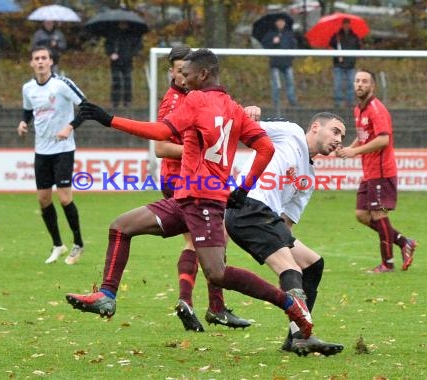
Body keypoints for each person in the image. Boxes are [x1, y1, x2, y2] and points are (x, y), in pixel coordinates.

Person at [66, 49, 321, 349]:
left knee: (217, 273)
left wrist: (108, 119)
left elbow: (161, 132)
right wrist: (243, 187)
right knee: (121, 226)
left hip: (202, 201)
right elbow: (264, 147)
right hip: (188, 198)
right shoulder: (234, 108)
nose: (181, 80)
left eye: (186, 75)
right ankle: (107, 296)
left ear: (203, 74)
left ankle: (289, 303)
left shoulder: (196, 100)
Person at [226, 111, 347, 356]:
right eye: (335, 131)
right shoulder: (290, 132)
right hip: (248, 206)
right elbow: (244, 128)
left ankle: (295, 338)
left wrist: (280, 242)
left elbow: (286, 223)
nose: (339, 139)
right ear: (315, 127)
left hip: (266, 219)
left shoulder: (308, 177)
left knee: (312, 264)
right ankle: (304, 334)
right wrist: (248, 114)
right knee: (290, 269)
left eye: (342, 136)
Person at [154, 45, 250, 332]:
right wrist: (197, 151)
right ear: (171, 71)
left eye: (189, 70)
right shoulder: (173, 102)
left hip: (193, 178)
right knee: (206, 241)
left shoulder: (197, 98)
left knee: (205, 241)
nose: (185, 76)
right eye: (180, 71)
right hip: (183, 179)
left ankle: (205, 305)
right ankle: (207, 306)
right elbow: (160, 147)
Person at [337, 69, 417, 273]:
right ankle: (403, 242)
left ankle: (387, 264)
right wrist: (348, 148)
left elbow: (383, 139)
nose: (359, 84)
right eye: (357, 81)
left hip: (382, 171)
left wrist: (354, 151)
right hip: (369, 171)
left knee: (378, 213)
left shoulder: (376, 109)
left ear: (373, 86)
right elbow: (364, 136)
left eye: (364, 81)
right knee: (362, 214)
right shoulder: (359, 109)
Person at [17, 46, 86, 265]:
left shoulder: (62, 84)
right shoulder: (28, 88)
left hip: (63, 149)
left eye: (43, 58)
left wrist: (70, 127)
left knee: (65, 198)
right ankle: (58, 245)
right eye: (36, 58)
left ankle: (78, 243)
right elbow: (29, 110)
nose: (40, 62)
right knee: (43, 199)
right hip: (41, 150)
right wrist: (23, 122)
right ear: (31, 63)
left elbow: (86, 107)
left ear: (50, 62)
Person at [261, 16, 298, 112]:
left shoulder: (289, 34)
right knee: (276, 85)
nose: (281, 23)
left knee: (290, 83)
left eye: (282, 22)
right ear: (276, 23)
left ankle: (292, 102)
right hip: (275, 63)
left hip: (287, 63)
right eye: (279, 22)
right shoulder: (270, 34)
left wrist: (291, 58)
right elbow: (265, 46)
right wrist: (273, 42)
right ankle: (276, 104)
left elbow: (294, 46)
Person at [105, 22, 143, 111]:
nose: (122, 25)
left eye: (124, 23)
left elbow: (137, 46)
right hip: (115, 62)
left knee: (127, 81)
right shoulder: (112, 34)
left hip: (127, 61)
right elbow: (108, 45)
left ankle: (127, 101)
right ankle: (115, 101)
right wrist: (111, 53)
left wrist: (131, 54)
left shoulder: (132, 34)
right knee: (116, 81)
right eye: (121, 23)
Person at [329, 18, 362, 109]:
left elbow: (358, 48)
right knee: (338, 84)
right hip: (338, 64)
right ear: (342, 25)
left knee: (351, 83)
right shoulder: (336, 36)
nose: (346, 26)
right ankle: (338, 102)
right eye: (345, 24)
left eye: (348, 24)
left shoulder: (354, 36)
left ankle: (349, 102)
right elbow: (330, 47)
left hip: (350, 64)